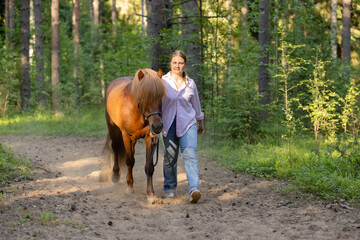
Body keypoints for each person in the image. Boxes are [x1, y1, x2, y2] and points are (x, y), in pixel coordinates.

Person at [161, 50, 205, 203]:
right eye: (174, 63)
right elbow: (157, 105)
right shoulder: (163, 81)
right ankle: (169, 188)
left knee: (190, 155)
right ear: (170, 64)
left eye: (180, 63)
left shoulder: (190, 83)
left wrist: (200, 121)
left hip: (188, 123)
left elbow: (196, 105)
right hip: (169, 123)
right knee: (170, 157)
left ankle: (194, 189)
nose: (177, 66)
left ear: (185, 64)